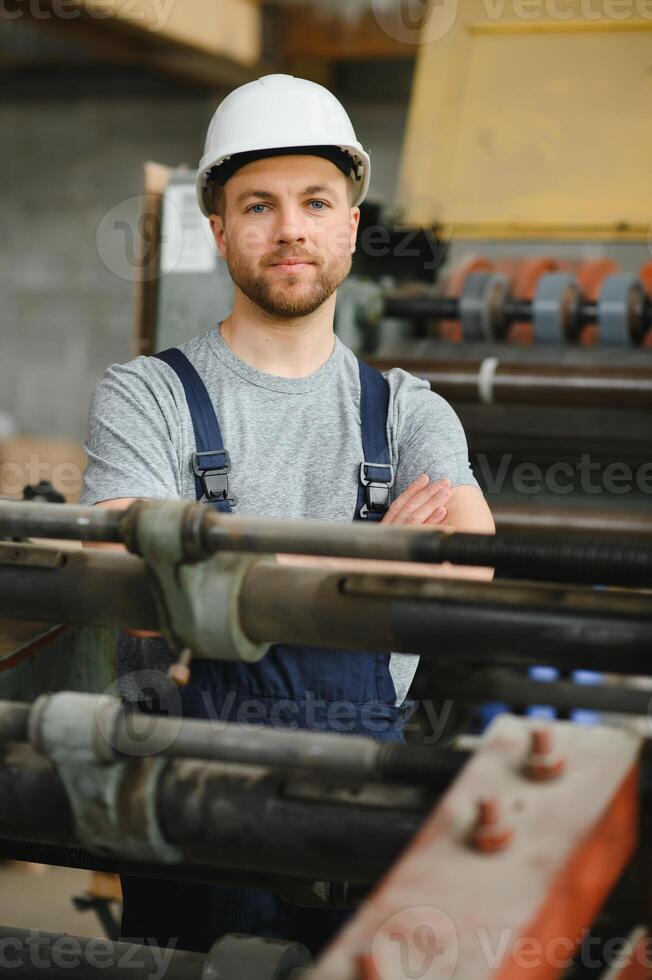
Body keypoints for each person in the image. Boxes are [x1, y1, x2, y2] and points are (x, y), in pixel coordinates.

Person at [81, 73, 495, 957]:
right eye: (259, 205)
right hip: (189, 799)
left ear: (351, 224)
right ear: (221, 226)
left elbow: (471, 571)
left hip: (361, 796)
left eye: (316, 200)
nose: (291, 228)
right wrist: (366, 566)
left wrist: (208, 569)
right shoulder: (144, 395)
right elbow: (126, 582)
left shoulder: (412, 411)